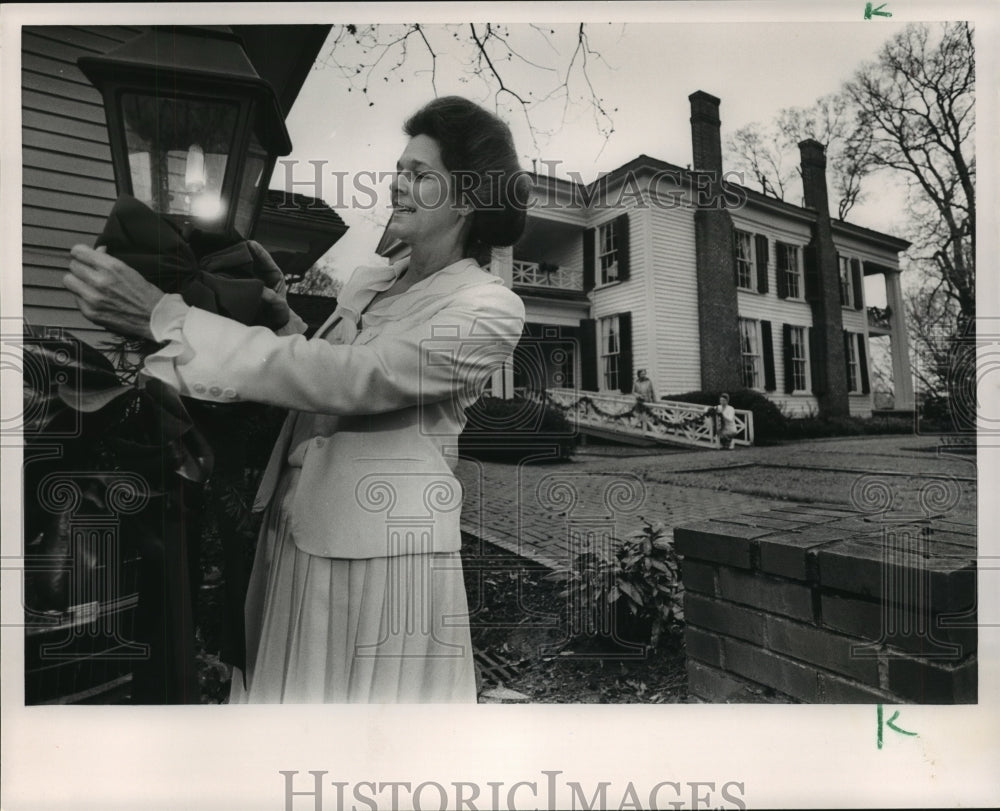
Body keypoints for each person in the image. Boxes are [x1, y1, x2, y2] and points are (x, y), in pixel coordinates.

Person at [63, 96, 529, 703]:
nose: (398, 185)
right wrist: (284, 316)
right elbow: (319, 378)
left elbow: (354, 379)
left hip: (381, 568)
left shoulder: (488, 308)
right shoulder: (373, 282)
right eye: (399, 170)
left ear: (467, 197)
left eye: (420, 175)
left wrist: (166, 320)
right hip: (297, 535)